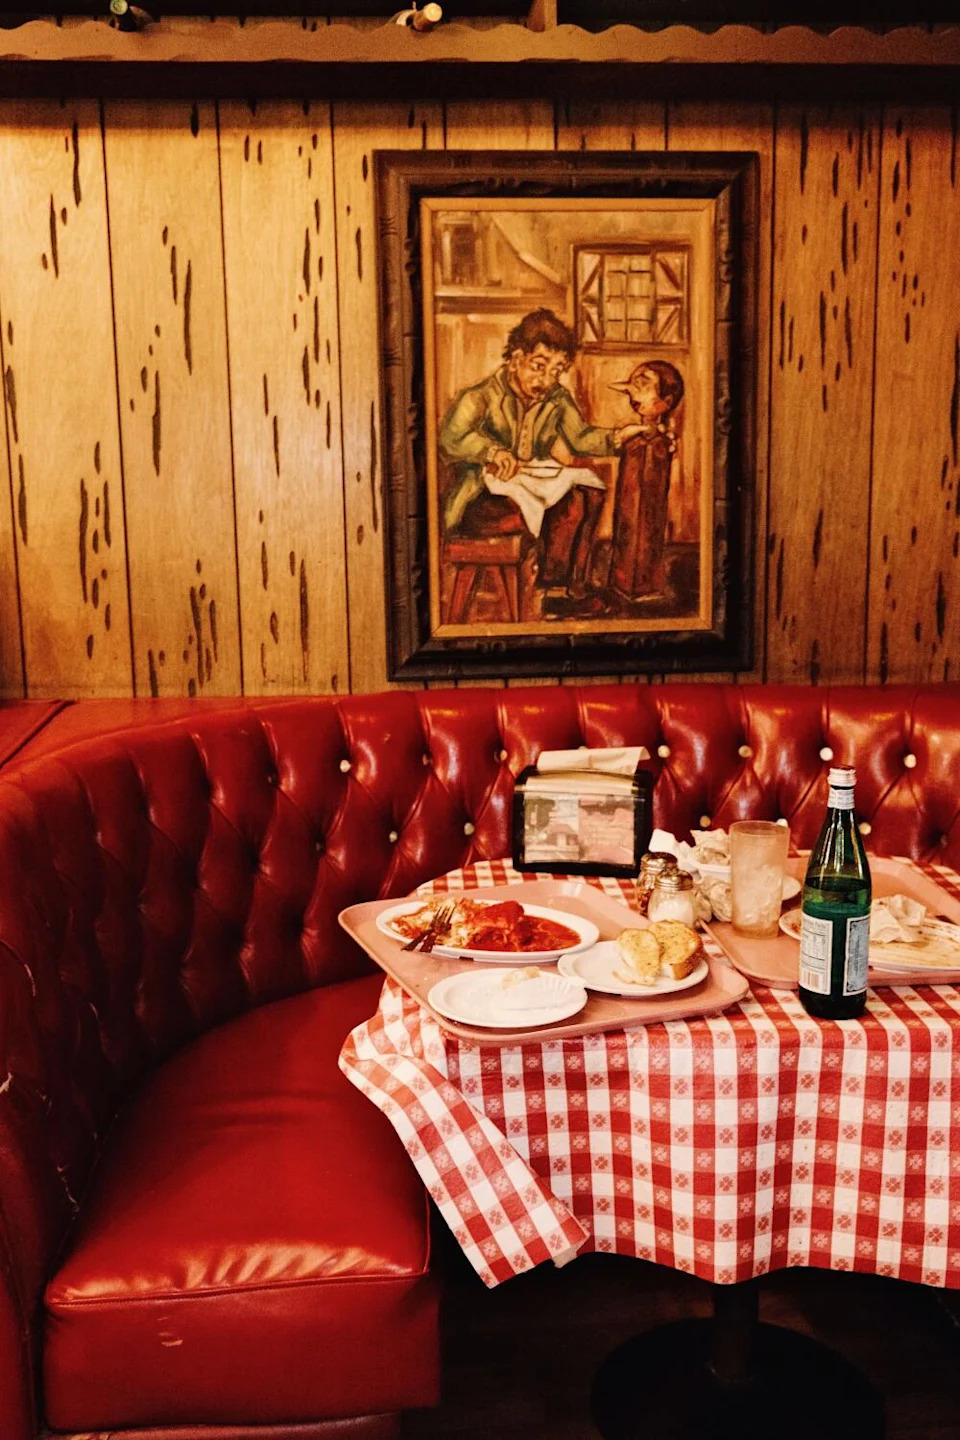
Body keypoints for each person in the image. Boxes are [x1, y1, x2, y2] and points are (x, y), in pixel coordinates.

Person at [438, 310, 641, 603]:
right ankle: (552, 584)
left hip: (525, 487)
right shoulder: (480, 396)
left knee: (587, 494)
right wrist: (492, 452)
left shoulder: (556, 399)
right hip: (479, 498)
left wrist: (622, 435)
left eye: (556, 371)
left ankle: (566, 587)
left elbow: (581, 437)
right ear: (517, 358)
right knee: (545, 508)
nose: (546, 379)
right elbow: (451, 437)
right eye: (539, 366)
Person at [607, 360, 684, 601]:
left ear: (667, 402)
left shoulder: (658, 443)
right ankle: (622, 582)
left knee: (646, 530)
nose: (634, 393)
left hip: (649, 515)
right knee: (627, 528)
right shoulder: (635, 439)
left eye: (644, 386)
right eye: (634, 386)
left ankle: (645, 584)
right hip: (627, 514)